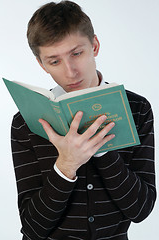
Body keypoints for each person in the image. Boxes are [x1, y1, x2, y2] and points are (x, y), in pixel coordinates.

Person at [11, 1, 156, 240]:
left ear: (95, 45)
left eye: (76, 53)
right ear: (41, 64)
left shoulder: (137, 109)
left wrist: (101, 149)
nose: (70, 72)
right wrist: (66, 166)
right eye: (54, 61)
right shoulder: (26, 121)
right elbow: (32, 228)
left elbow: (140, 210)